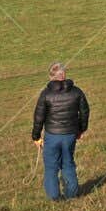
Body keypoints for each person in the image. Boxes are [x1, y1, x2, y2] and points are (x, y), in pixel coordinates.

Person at [31, 62, 89, 200]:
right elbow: (85, 112)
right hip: (70, 135)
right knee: (68, 163)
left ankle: (54, 197)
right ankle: (72, 195)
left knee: (51, 167)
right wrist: (81, 129)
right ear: (64, 75)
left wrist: (36, 136)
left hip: (52, 136)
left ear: (51, 77)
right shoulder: (77, 91)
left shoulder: (45, 94)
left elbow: (39, 117)